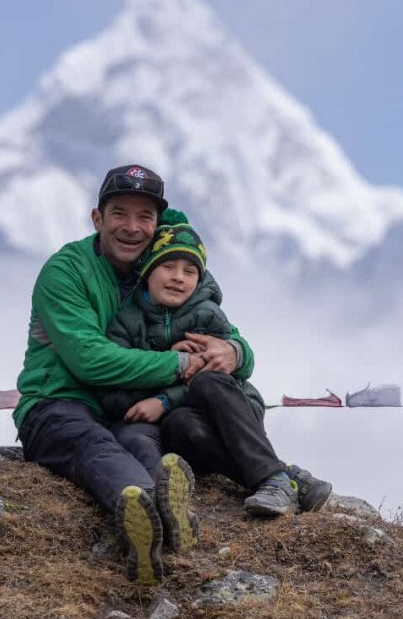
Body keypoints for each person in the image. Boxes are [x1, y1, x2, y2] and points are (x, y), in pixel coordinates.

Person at [13, 164, 250, 585]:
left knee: (141, 442)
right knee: (91, 443)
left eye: (146, 217)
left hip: (127, 408)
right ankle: (146, 506)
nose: (132, 227)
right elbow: (91, 359)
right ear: (97, 218)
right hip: (60, 401)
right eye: (119, 213)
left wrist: (233, 351)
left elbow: (219, 329)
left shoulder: (164, 263)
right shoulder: (65, 271)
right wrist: (179, 366)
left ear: (158, 223)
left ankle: (165, 499)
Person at [98, 219, 333, 520]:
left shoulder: (207, 314)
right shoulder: (125, 322)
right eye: (168, 266)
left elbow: (233, 370)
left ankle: (272, 480)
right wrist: (165, 366)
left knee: (206, 381)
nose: (178, 278)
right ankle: (286, 476)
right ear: (146, 270)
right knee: (178, 425)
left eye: (190, 271)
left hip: (234, 408)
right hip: (188, 424)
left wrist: (164, 400)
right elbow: (112, 390)